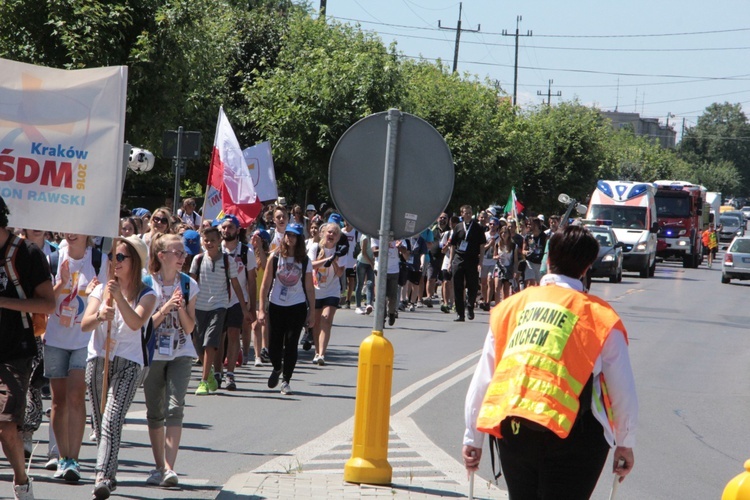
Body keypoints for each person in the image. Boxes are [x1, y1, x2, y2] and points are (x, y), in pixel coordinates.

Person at [462, 226, 638, 500]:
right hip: (574, 436)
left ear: (547, 259)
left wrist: (473, 438)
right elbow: (621, 390)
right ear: (587, 267)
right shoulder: (599, 317)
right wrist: (625, 443)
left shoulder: (512, 306)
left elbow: (485, 377)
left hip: (515, 430)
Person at [82, 235, 157, 499]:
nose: (115, 262)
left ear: (134, 262)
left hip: (128, 362)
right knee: (101, 424)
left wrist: (119, 298)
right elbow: (85, 323)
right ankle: (106, 472)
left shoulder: (147, 294)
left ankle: (103, 476)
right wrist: (100, 314)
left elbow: (136, 322)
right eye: (112, 257)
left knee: (112, 421)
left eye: (121, 257)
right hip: (99, 360)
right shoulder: (100, 289)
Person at [0, 196, 55, 500]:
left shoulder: (27, 254)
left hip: (15, 350)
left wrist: (3, 302)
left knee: (7, 425)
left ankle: (21, 481)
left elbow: (49, 303)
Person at [45, 234, 108, 483]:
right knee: (59, 400)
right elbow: (45, 302)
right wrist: (60, 282)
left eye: (77, 229)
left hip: (85, 338)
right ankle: (63, 458)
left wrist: (96, 294)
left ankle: (75, 459)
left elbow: (106, 296)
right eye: (67, 228)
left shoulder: (98, 259)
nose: (71, 233)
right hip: (55, 339)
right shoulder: (52, 259)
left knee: (75, 396)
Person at [142, 234, 199, 488]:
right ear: (161, 255)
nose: (183, 257)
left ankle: (169, 468)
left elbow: (189, 328)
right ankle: (158, 466)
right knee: (155, 411)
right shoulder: (145, 284)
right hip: (153, 354)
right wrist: (165, 308)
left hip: (181, 352)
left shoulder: (188, 284)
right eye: (178, 253)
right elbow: (144, 328)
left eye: (184, 253)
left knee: (175, 408)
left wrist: (180, 307)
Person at [189, 227, 249, 395]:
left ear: (219, 241)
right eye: (206, 240)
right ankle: (210, 376)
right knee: (198, 344)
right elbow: (191, 284)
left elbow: (235, 284)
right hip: (200, 306)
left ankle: (203, 380)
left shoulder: (227, 260)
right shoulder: (198, 260)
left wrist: (244, 308)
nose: (209, 243)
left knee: (210, 343)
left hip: (219, 306)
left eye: (213, 240)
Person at [258, 223, 314, 395]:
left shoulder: (304, 261)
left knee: (291, 345)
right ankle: (277, 367)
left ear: (299, 239)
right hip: (276, 305)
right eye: (288, 235)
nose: (290, 238)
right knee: (274, 346)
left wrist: (311, 311)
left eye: (294, 236)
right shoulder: (275, 257)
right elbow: (265, 284)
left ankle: (286, 381)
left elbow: (309, 287)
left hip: (296, 306)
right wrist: (261, 308)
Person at [217, 215, 257, 389]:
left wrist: (252, 306)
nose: (227, 230)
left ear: (238, 230)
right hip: (217, 299)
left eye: (230, 227)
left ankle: (230, 374)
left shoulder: (246, 252)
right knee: (218, 336)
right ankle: (217, 372)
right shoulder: (215, 249)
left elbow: (252, 280)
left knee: (234, 333)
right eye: (224, 227)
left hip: (237, 300)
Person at [309, 222, 344, 365]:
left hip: (332, 291)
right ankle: (317, 352)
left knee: (326, 319)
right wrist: (325, 259)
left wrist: (334, 261)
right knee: (316, 323)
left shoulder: (340, 251)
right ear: (323, 233)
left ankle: (322, 353)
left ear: (337, 238)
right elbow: (310, 265)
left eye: (335, 233)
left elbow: (340, 273)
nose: (331, 235)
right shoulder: (315, 248)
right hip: (316, 290)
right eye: (329, 232)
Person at [450, 205, 486, 322]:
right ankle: (460, 313)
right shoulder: (458, 227)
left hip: (472, 259)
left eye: (470, 213)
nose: (468, 215)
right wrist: (451, 261)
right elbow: (453, 245)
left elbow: (482, 246)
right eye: (466, 213)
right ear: (462, 214)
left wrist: (480, 262)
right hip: (459, 259)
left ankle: (470, 305)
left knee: (473, 285)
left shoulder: (477, 227)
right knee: (458, 286)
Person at [250, 229, 271, 366]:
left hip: (264, 295)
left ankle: (265, 349)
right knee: (255, 324)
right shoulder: (249, 254)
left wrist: (260, 248)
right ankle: (257, 355)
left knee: (263, 322)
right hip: (252, 294)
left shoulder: (268, 256)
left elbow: (264, 265)